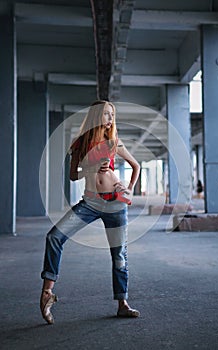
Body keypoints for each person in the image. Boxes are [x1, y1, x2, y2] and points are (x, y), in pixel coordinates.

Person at [40, 100, 141, 324]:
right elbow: (73, 176)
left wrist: (130, 189)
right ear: (96, 116)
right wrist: (91, 167)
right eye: (106, 114)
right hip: (90, 202)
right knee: (54, 237)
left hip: (115, 203)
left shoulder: (113, 141)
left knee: (119, 257)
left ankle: (122, 303)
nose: (110, 118)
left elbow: (136, 166)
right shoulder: (80, 142)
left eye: (112, 114)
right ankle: (47, 293)